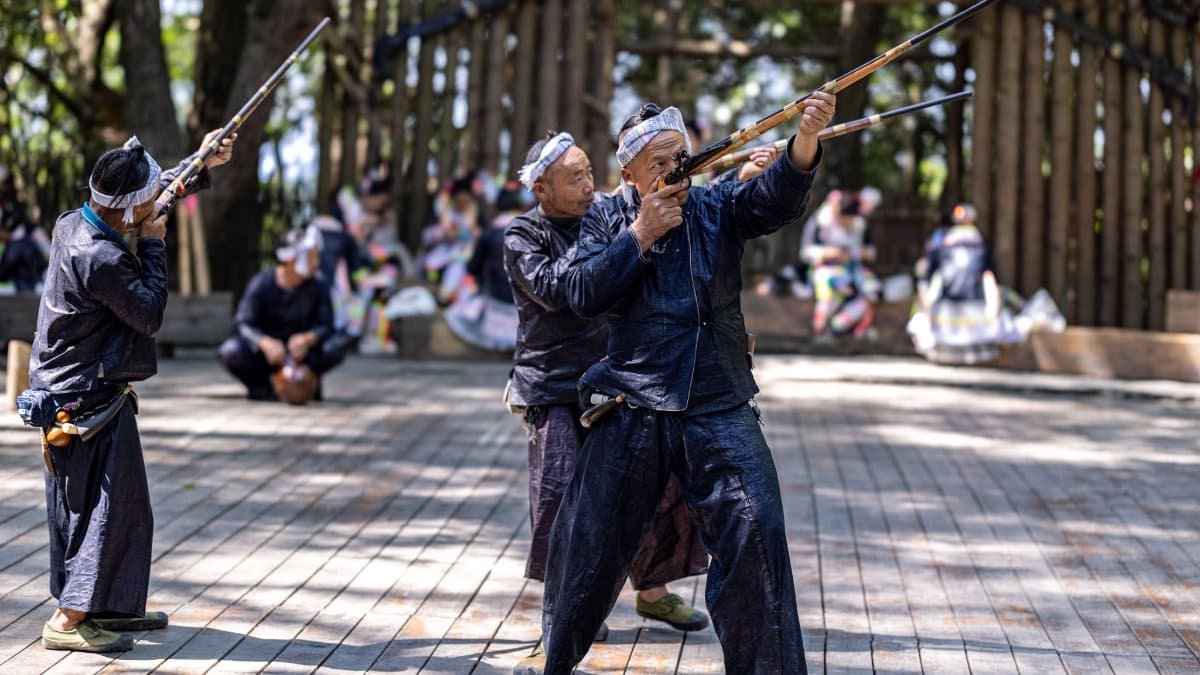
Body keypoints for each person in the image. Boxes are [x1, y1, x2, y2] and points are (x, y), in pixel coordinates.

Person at [530, 93, 834, 674]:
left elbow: (772, 200)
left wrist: (804, 142)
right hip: (632, 400)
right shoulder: (605, 216)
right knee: (586, 549)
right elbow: (582, 294)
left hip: (718, 401)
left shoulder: (717, 203)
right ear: (630, 175)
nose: (677, 170)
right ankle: (555, 663)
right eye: (660, 163)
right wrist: (639, 235)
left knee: (758, 532)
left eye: (682, 156)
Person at [20, 131, 235, 652]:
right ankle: (69, 621)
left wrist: (202, 159)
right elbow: (149, 315)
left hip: (92, 388)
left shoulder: (77, 221)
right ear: (127, 211)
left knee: (125, 507)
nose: (152, 203)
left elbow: (153, 193)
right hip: (79, 396)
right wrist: (157, 245)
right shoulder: (100, 257)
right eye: (144, 204)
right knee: (99, 511)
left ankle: (108, 609)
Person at [508, 132, 710, 674]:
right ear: (543, 189)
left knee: (657, 487)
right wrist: (610, 255)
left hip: (619, 378)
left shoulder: (610, 214)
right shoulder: (524, 234)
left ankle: (653, 589)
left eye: (588, 172)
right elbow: (563, 289)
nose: (587, 183)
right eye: (573, 178)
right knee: (560, 493)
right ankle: (570, 608)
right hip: (553, 384)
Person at [216, 225, 349, 402]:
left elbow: (327, 325)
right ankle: (262, 386)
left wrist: (308, 339)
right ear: (293, 259)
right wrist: (263, 342)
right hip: (267, 356)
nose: (317, 263)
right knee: (231, 351)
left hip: (302, 355)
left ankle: (307, 382)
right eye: (312, 256)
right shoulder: (262, 283)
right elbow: (243, 323)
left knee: (335, 347)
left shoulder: (318, 285)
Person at [908, 203, 1019, 364]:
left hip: (944, 319)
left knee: (922, 297)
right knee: (1004, 296)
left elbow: (926, 278)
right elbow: (989, 279)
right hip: (977, 320)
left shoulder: (941, 247)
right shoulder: (981, 246)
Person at [801, 189, 880, 338]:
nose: (847, 222)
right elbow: (806, 252)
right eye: (844, 218)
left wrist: (853, 254)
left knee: (870, 293)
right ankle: (821, 329)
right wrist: (828, 253)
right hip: (826, 273)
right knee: (832, 294)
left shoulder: (859, 226)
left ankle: (839, 327)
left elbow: (871, 252)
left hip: (853, 273)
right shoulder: (821, 222)